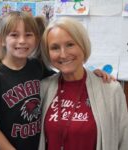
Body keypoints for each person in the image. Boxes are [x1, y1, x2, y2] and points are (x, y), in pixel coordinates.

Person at [38, 17, 128, 150]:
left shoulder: (110, 90)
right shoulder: (43, 87)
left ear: (83, 45)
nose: (63, 54)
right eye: (55, 48)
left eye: (70, 44)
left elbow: (124, 140)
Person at [0, 11, 54, 150]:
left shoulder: (37, 67)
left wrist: (94, 76)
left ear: (36, 39)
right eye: (14, 35)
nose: (22, 41)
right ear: (1, 40)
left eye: (28, 35)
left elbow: (64, 79)